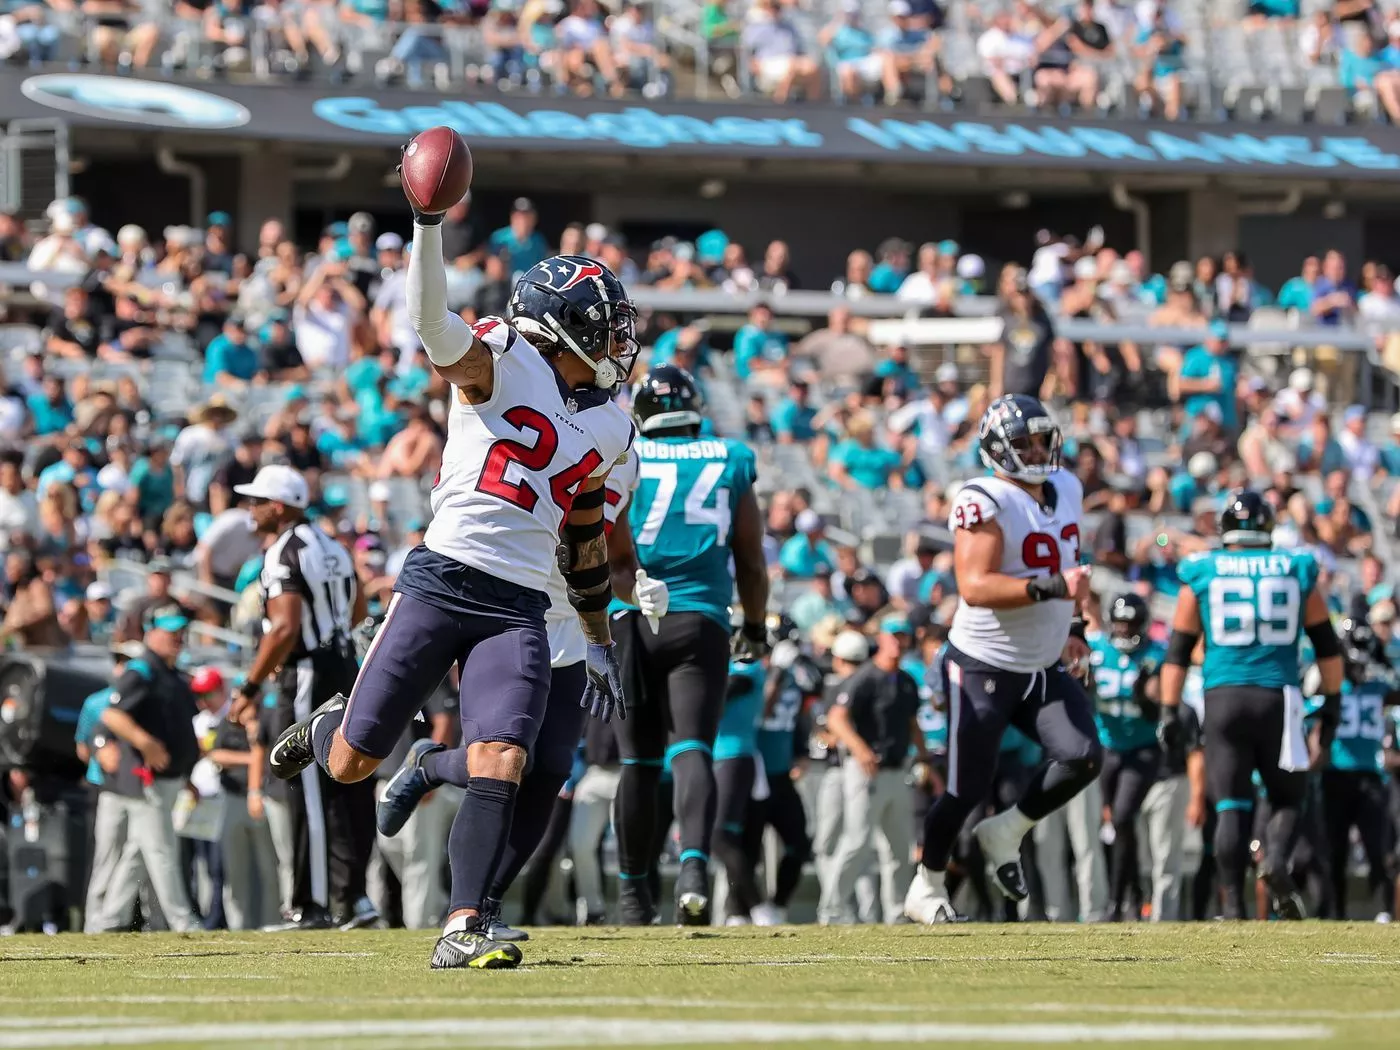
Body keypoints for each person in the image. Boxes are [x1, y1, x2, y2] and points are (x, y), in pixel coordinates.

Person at [266, 172, 636, 970]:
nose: (616, 344)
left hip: (518, 606)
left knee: (504, 755)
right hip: (441, 580)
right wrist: (428, 222)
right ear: (561, 329)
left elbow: (582, 536)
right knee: (349, 764)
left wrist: (600, 632)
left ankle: (464, 922)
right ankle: (334, 720)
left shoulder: (610, 423)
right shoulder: (503, 361)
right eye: (602, 329)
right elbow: (433, 324)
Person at [375, 453, 661, 941]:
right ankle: (431, 769)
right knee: (510, 762)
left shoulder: (625, 457)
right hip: (510, 616)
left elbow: (614, 551)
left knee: (549, 771)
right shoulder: (547, 433)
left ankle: (486, 905)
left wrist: (638, 587)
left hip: (573, 627)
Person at [905, 394, 1101, 925]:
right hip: (983, 664)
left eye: (1042, 439)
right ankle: (926, 883)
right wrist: (1057, 587)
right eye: (1023, 443)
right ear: (996, 450)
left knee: (1082, 754)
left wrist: (1076, 627)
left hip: (1040, 664)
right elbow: (976, 586)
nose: (1037, 450)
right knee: (967, 786)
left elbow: (1070, 561)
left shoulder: (1068, 488)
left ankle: (1007, 830)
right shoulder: (982, 497)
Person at [610, 365, 769, 927]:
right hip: (700, 614)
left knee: (638, 760)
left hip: (629, 611)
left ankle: (633, 897)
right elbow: (750, 557)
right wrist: (754, 623)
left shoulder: (622, 449)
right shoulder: (729, 456)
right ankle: (696, 872)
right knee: (693, 748)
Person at [1159, 490, 1344, 920]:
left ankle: (1233, 905)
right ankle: (1276, 860)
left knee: (1230, 804)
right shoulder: (1294, 566)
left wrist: (1170, 710)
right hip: (1278, 695)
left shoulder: (1203, 569)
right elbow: (1327, 648)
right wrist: (1332, 704)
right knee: (1287, 796)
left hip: (1222, 696)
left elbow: (1178, 651)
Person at [229, 464, 372, 932]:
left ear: (278, 506)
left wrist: (249, 686)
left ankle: (310, 905)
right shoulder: (332, 544)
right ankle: (354, 899)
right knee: (344, 784)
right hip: (343, 665)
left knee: (306, 787)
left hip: (308, 670)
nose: (250, 511)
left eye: (256, 502)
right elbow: (358, 608)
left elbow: (285, 625)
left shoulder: (281, 552)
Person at [91, 608, 200, 933]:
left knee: (138, 851)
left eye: (180, 632)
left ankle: (107, 921)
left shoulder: (172, 675)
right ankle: (183, 922)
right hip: (147, 778)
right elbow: (113, 716)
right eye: (170, 632)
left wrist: (188, 777)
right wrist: (145, 742)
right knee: (162, 849)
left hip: (171, 778)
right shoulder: (142, 670)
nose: (177, 638)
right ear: (151, 633)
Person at [824, 615, 925, 924]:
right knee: (857, 842)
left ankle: (896, 912)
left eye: (903, 636)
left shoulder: (906, 681)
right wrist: (860, 749)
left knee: (898, 849)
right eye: (892, 635)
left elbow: (912, 723)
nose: (897, 641)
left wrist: (923, 757)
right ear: (881, 638)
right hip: (867, 769)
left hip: (897, 769)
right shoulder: (865, 677)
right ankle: (831, 909)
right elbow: (836, 718)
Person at [1311, 618, 1399, 920]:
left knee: (1380, 850)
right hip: (1335, 774)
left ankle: (1386, 911)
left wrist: (1384, 662)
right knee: (1334, 852)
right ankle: (1333, 913)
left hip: (1370, 777)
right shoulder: (1327, 685)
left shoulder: (1380, 685)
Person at [1088, 593, 1166, 921]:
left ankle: (1117, 903)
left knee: (1122, 818)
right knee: (1119, 826)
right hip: (1108, 748)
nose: (1124, 629)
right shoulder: (1095, 651)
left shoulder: (1155, 655)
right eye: (1120, 623)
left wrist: (1153, 694)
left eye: (1131, 623)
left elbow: (1162, 703)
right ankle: (1134, 895)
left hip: (1143, 749)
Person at [711, 650, 767, 923]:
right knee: (730, 837)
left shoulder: (747, 667)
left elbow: (722, 696)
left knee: (718, 835)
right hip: (723, 758)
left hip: (734, 756)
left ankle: (758, 905)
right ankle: (738, 910)